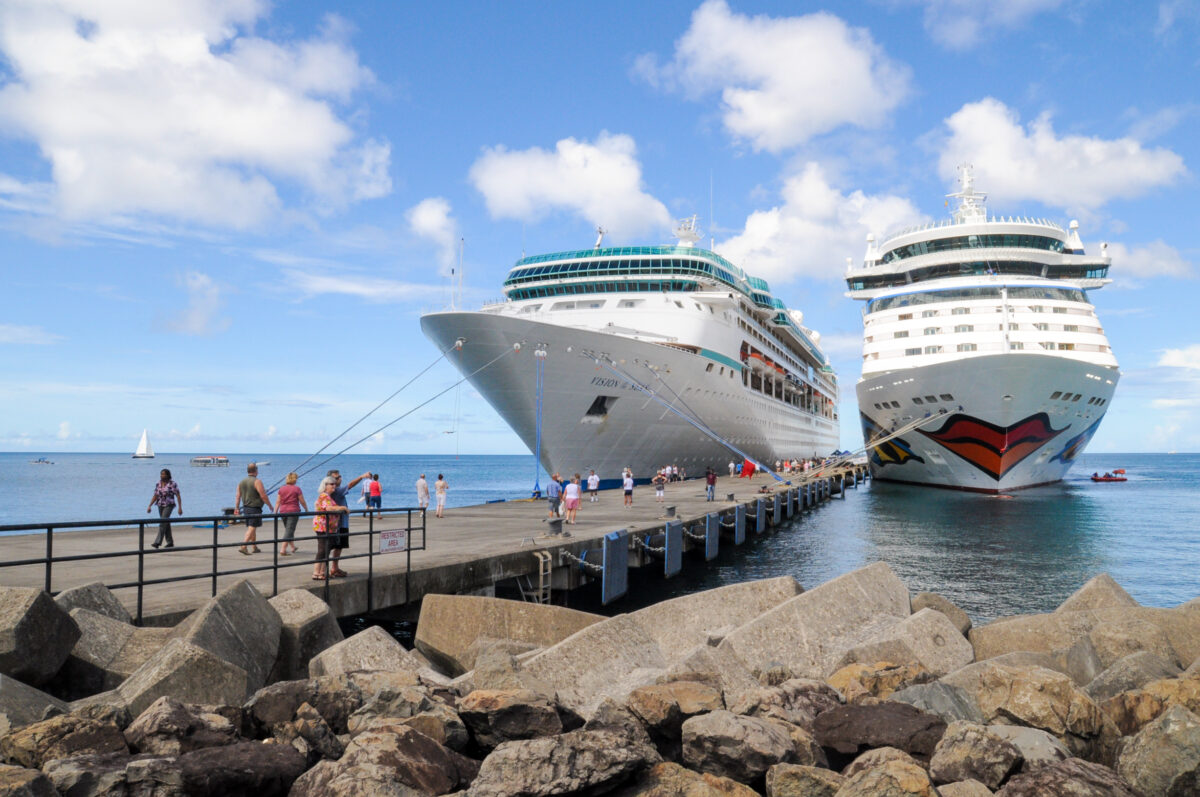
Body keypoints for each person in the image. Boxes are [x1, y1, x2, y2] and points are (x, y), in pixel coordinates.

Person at [327, 469, 370, 576]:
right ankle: (331, 568)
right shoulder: (337, 491)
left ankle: (333, 568)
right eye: (336, 478)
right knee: (334, 547)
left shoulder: (334, 491)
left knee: (338, 546)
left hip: (340, 523)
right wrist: (362, 476)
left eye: (339, 476)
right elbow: (350, 485)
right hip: (339, 524)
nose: (339, 479)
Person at [311, 476, 346, 580]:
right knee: (322, 549)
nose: (334, 486)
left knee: (326, 549)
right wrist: (342, 507)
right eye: (331, 484)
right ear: (325, 486)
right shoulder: (324, 496)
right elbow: (328, 508)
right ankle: (316, 572)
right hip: (323, 527)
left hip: (329, 527)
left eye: (334, 484)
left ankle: (322, 572)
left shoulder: (328, 496)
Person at [234, 463, 273, 555]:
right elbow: (263, 495)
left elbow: (238, 496)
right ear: (256, 471)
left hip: (246, 508)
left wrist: (236, 507)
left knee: (252, 527)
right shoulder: (257, 481)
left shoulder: (241, 482)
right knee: (252, 528)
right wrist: (270, 505)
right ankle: (244, 546)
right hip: (255, 508)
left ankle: (254, 547)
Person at [146, 468, 181, 548]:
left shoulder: (173, 484)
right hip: (160, 504)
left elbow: (178, 495)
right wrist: (149, 505)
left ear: (168, 475)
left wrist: (180, 508)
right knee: (166, 523)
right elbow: (155, 495)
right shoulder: (158, 483)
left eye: (164, 474)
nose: (162, 476)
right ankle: (170, 542)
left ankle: (157, 542)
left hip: (169, 504)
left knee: (162, 522)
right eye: (161, 474)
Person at [276, 472, 308, 556]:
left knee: (289, 529)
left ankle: (293, 547)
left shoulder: (281, 489)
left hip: (283, 511)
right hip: (293, 511)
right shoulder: (297, 489)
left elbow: (278, 501)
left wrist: (275, 511)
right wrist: (306, 509)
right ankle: (283, 549)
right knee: (289, 530)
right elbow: (302, 501)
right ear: (294, 479)